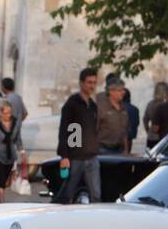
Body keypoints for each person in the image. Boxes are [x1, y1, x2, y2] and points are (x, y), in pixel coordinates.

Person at [54, 67, 100, 204]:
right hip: (75, 157)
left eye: (94, 83)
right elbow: (64, 130)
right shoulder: (72, 104)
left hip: (91, 156)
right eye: (89, 82)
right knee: (67, 192)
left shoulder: (92, 105)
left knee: (96, 194)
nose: (92, 86)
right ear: (81, 83)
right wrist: (64, 156)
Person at [97, 77, 129, 154]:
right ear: (111, 91)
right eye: (120, 90)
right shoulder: (101, 108)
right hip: (103, 149)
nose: (123, 92)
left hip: (120, 150)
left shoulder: (124, 109)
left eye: (123, 90)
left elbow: (125, 132)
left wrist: (126, 150)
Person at [143, 81, 167, 149]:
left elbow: (145, 119)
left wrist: (148, 131)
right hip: (162, 136)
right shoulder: (164, 105)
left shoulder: (150, 104)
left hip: (151, 136)